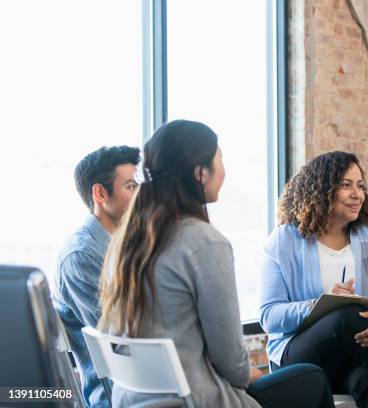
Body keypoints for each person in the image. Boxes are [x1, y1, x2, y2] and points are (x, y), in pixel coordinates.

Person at [97, 120, 334, 408]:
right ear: (201, 173)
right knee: (311, 377)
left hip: (134, 400)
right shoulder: (204, 243)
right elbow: (231, 362)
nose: (224, 170)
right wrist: (252, 373)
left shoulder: (126, 243)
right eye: (220, 159)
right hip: (197, 400)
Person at [259, 151, 368, 407]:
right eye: (346, 185)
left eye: (360, 186)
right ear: (322, 189)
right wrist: (320, 304)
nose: (357, 194)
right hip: (300, 356)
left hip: (356, 356)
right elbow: (269, 316)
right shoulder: (284, 241)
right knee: (349, 317)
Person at [52, 145, 141, 408]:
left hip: (149, 386)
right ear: (100, 193)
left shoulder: (127, 243)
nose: (140, 196)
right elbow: (122, 336)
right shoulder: (81, 256)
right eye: (130, 187)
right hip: (117, 397)